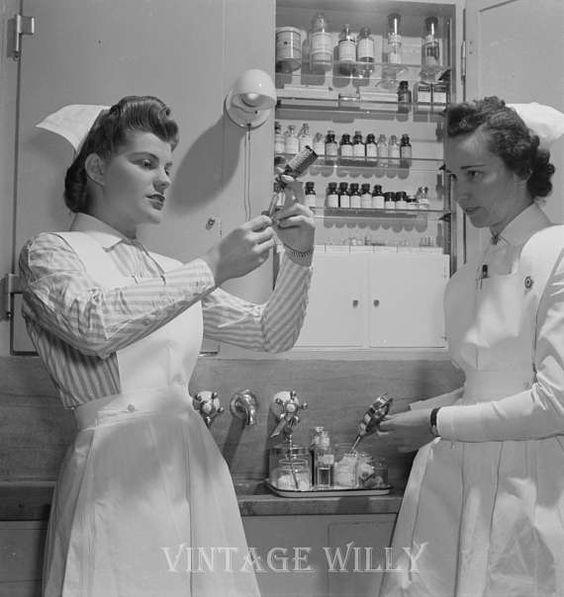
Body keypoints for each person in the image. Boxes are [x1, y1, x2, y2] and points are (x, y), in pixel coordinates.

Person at [19, 95, 315, 597]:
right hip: (114, 475)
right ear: (96, 168)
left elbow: (270, 333)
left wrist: (299, 257)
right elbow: (93, 325)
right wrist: (213, 266)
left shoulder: (169, 272)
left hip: (193, 469)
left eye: (167, 167)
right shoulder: (50, 254)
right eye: (145, 163)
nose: (163, 180)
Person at [377, 97, 564, 596]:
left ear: (521, 169)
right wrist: (422, 413)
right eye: (452, 176)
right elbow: (488, 384)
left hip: (527, 485)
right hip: (452, 484)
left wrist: (437, 422)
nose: (460, 192)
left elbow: (555, 404)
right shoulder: (468, 276)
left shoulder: (558, 254)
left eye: (475, 174)